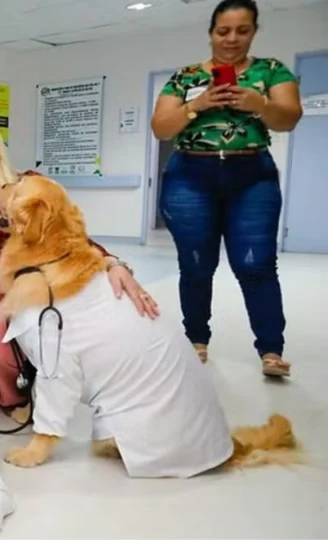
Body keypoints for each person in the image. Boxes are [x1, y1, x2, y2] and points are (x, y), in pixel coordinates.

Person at [0, 102, 160, 407]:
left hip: (10, 297)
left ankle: (14, 396)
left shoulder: (24, 184)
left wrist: (111, 261)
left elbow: (65, 233)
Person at [150, 0, 302, 378]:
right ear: (210, 32)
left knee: (257, 264)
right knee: (197, 264)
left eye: (242, 30)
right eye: (223, 31)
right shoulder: (185, 77)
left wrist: (259, 103)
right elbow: (160, 128)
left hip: (251, 175)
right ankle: (196, 340)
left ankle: (271, 350)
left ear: (253, 31)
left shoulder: (271, 71)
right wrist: (197, 105)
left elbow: (289, 119)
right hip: (190, 175)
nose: (232, 38)